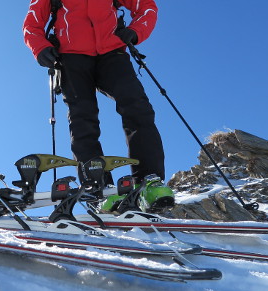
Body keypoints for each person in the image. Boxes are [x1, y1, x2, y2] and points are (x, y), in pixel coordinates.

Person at [23, 0, 173, 210]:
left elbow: (146, 6)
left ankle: (149, 182)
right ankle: (98, 189)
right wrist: (40, 47)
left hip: (113, 53)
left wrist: (135, 30)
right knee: (82, 118)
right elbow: (32, 23)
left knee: (137, 107)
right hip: (70, 57)